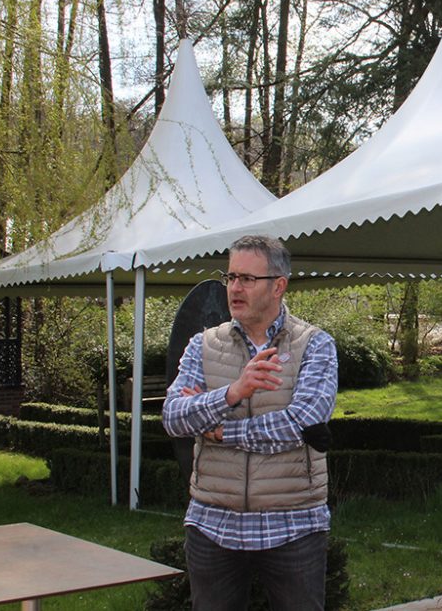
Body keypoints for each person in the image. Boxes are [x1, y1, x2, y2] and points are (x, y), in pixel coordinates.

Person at [162, 235, 338, 611]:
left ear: (279, 286)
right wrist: (232, 392)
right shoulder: (202, 345)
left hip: (293, 523)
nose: (235, 288)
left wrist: (219, 430)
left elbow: (300, 424)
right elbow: (173, 417)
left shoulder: (315, 345)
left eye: (246, 278)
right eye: (230, 277)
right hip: (212, 522)